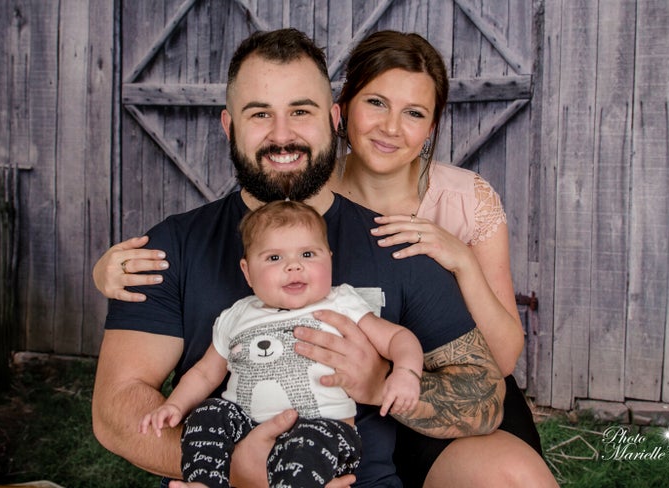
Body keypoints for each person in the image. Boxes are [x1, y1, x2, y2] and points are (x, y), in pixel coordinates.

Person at [95, 30, 559, 487]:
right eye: (260, 114)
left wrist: (380, 383)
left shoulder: (395, 244)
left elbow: (483, 391)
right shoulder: (171, 246)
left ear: (333, 118)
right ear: (228, 125)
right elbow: (117, 406)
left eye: (301, 110)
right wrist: (235, 472)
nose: (282, 136)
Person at [329, 31, 557, 486]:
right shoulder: (307, 196)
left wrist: (463, 262)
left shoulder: (467, 199)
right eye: (376, 103)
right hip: (341, 394)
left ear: (430, 128)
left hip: (452, 391)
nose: (391, 127)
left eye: (414, 113)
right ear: (345, 107)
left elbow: (505, 358)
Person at [138, 200, 424, 488]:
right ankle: (204, 482)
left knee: (305, 450)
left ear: (329, 259)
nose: (294, 266)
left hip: (324, 427)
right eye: (274, 258)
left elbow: (398, 337)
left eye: (308, 254)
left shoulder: (342, 302)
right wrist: (175, 405)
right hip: (245, 427)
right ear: (247, 271)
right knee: (208, 414)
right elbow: (204, 373)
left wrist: (406, 372)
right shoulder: (236, 315)